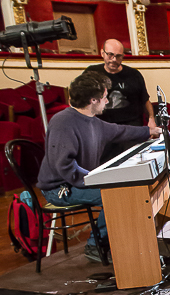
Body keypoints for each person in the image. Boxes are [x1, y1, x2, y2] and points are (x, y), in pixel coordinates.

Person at [37, 71, 160, 264]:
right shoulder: (63, 122)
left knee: (124, 189)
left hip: (77, 181)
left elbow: (119, 131)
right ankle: (96, 245)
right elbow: (64, 166)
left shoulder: (92, 121)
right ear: (93, 100)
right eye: (104, 97)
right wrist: (95, 178)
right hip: (60, 188)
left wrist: (150, 131)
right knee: (115, 194)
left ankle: (123, 242)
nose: (107, 101)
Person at [86, 38, 155, 128]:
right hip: (103, 126)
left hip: (131, 126)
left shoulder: (134, 74)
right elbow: (78, 98)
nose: (114, 59)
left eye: (118, 56)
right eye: (110, 55)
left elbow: (145, 100)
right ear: (102, 53)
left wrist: (151, 119)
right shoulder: (91, 73)